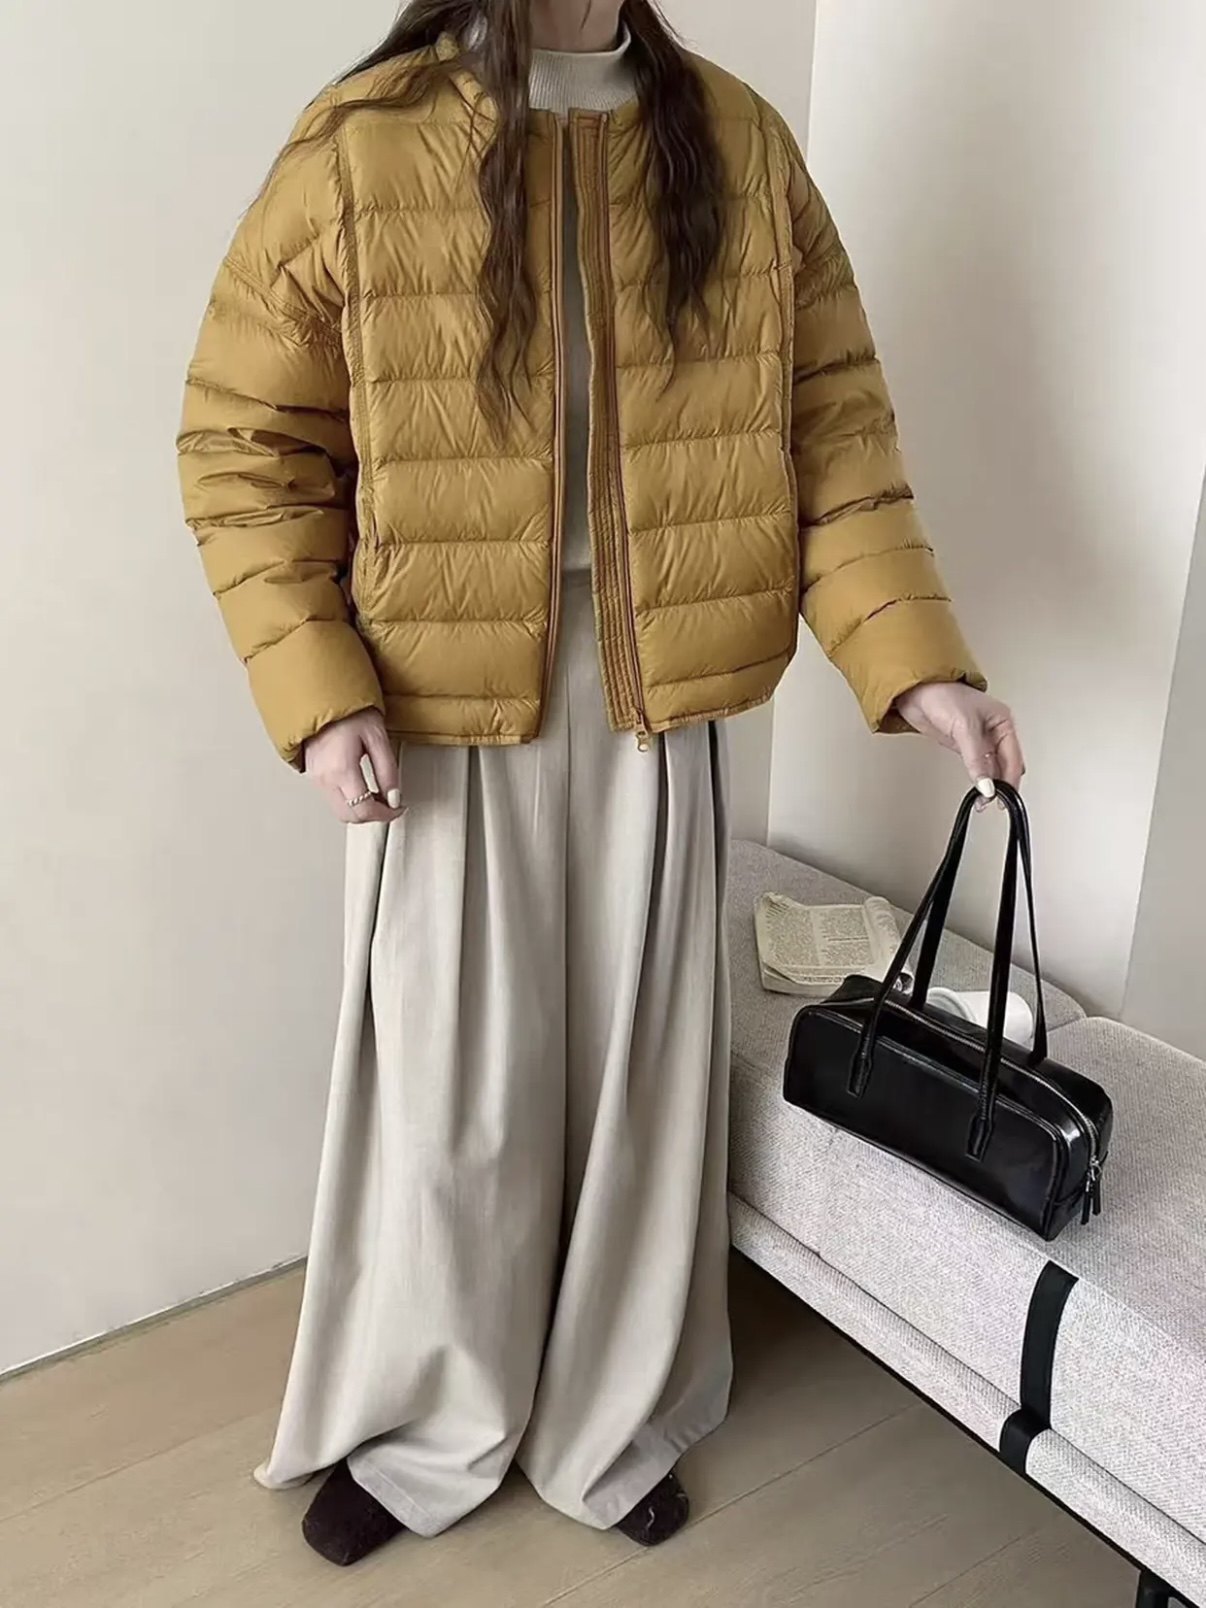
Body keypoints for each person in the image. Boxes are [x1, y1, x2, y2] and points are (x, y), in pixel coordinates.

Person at [176, 0, 1022, 1570]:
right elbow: (245, 444)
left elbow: (832, 433)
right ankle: (430, 1423)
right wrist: (321, 694)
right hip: (437, 705)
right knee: (456, 1098)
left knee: (639, 1084)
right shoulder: (364, 142)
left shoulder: (739, 143)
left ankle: (612, 1414)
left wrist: (917, 667)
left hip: (656, 701)